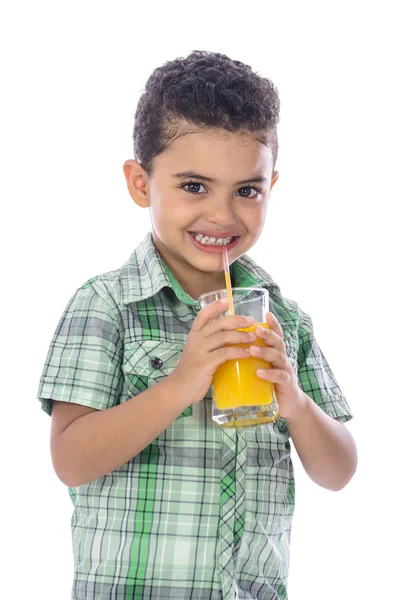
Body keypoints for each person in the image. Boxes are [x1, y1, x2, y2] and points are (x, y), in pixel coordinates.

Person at [37, 50, 357, 600]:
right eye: (193, 186)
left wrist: (297, 403)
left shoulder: (284, 321)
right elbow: (70, 460)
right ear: (141, 183)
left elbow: (338, 470)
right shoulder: (106, 305)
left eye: (247, 191)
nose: (223, 215)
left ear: (270, 188)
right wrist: (183, 383)